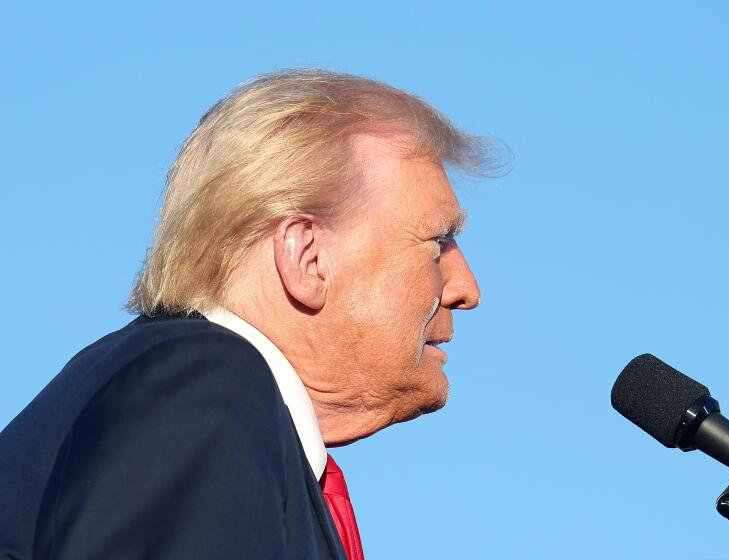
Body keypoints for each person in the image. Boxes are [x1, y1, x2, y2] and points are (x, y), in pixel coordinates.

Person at [0, 69, 496, 559]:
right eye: (437, 242)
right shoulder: (205, 384)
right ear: (308, 258)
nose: (465, 288)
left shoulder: (190, 396)